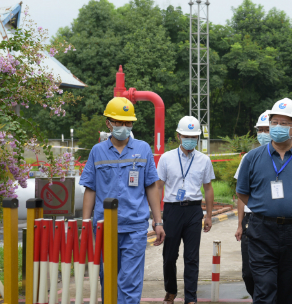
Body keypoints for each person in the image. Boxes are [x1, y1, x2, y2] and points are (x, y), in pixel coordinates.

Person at [80, 97, 165, 304]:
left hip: (134, 226)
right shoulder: (97, 151)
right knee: (106, 277)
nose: (124, 127)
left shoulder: (143, 149)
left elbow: (151, 186)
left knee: (130, 280)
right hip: (104, 227)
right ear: (109, 123)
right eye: (119, 122)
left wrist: (158, 221)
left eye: (128, 123)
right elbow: (90, 189)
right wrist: (85, 224)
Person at [236, 98, 292, 304]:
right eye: (274, 123)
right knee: (264, 289)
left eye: (284, 124)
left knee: (290, 292)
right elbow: (242, 193)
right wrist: (266, 208)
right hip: (261, 231)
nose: (277, 127)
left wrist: (291, 209)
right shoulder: (252, 158)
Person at [157, 116, 215, 304]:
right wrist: (157, 217)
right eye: (186, 135)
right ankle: (171, 290)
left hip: (193, 211)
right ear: (178, 136)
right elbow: (158, 187)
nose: (190, 139)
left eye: (194, 136)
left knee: (191, 257)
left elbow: (208, 188)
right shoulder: (166, 158)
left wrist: (208, 216)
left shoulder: (204, 160)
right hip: (172, 210)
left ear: (198, 138)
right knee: (169, 256)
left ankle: (190, 297)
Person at [234, 110, 271, 299]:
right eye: (261, 130)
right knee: (248, 273)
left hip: (272, 220)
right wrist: (240, 223)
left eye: (267, 129)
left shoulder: (282, 158)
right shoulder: (248, 158)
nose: (263, 133)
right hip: (251, 220)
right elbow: (241, 194)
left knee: (272, 274)